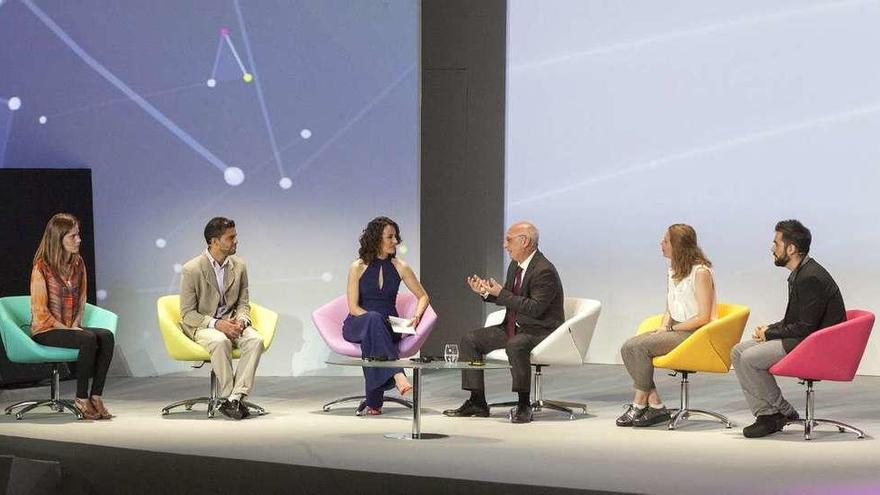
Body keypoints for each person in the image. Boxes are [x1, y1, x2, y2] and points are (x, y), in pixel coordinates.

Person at [731, 220, 845, 438]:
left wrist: (770, 334)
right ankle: (768, 414)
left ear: (791, 249)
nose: (772, 249)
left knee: (749, 359)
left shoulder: (810, 277)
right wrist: (769, 329)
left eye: (776, 244)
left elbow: (805, 327)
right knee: (738, 352)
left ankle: (779, 412)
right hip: (806, 338)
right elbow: (795, 320)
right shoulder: (800, 273)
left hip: (817, 344)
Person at [443, 221, 564, 424]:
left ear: (524, 241)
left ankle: (524, 404)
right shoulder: (515, 266)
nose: (505, 245)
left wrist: (501, 293)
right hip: (514, 325)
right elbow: (509, 297)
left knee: (516, 344)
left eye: (509, 240)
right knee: (470, 340)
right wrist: (486, 293)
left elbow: (535, 308)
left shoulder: (544, 270)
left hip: (540, 329)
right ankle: (477, 401)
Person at [617, 224, 716, 427]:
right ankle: (655, 405)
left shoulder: (701, 273)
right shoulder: (673, 271)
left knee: (641, 347)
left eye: (665, 241)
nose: (661, 244)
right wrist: (664, 326)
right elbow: (670, 307)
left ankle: (639, 404)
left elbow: (704, 317)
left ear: (678, 245)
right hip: (676, 329)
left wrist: (671, 329)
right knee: (628, 347)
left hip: (695, 333)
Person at [30, 213, 115, 420]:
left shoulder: (78, 263)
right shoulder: (41, 267)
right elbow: (41, 312)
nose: (78, 240)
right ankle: (81, 398)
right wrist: (69, 329)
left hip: (69, 326)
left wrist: (76, 323)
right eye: (72, 236)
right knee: (87, 339)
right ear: (58, 238)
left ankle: (96, 396)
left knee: (106, 336)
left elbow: (82, 298)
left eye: (78, 235)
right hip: (46, 329)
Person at [343, 217, 430, 415]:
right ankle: (398, 375)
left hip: (389, 327)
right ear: (376, 239)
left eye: (396, 237)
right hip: (358, 323)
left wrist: (416, 316)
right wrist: (376, 321)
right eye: (390, 237)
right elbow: (353, 307)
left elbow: (423, 296)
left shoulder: (401, 266)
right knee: (373, 321)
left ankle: (374, 403)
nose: (396, 241)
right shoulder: (357, 266)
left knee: (373, 336)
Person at [179, 217, 264, 420]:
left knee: (255, 340)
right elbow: (187, 314)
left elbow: (244, 302)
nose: (236, 241)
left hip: (232, 321)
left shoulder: (240, 266)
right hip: (203, 325)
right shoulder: (192, 269)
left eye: (235, 236)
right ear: (214, 241)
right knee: (220, 340)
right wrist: (217, 324)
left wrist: (242, 320)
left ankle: (235, 398)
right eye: (231, 237)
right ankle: (228, 396)